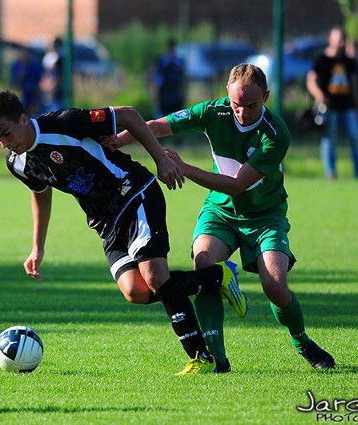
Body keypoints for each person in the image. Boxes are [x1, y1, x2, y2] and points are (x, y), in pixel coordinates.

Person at [0, 89, 247, 375]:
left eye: (5, 134)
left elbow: (129, 114)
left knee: (155, 276)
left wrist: (161, 160)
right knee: (136, 291)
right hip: (105, 222)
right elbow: (40, 193)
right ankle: (217, 276)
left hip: (135, 193)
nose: (4, 144)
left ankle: (200, 357)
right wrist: (37, 247)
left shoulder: (65, 123)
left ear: (22, 118)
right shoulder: (17, 163)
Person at [106, 63, 336, 370]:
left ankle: (302, 340)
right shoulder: (214, 112)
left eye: (251, 105)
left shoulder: (276, 133)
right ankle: (218, 358)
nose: (242, 112)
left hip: (265, 216)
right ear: (227, 95)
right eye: (235, 104)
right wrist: (121, 139)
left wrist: (183, 167)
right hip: (220, 211)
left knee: (276, 287)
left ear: (266, 97)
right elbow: (160, 125)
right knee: (204, 266)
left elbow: (238, 185)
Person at [306, 26, 358, 180]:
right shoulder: (321, 59)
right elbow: (311, 81)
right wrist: (319, 95)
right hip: (329, 107)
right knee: (329, 140)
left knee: (356, 137)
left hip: (348, 106)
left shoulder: (349, 61)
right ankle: (331, 172)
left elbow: (354, 85)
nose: (341, 42)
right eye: (338, 39)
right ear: (330, 40)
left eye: (343, 39)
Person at [154, 39, 186, 118]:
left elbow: (183, 77)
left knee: (177, 117)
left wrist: (184, 92)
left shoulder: (180, 61)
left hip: (176, 93)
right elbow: (157, 78)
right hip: (164, 93)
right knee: (164, 118)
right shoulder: (162, 61)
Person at [10, 47, 43, 116]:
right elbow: (15, 85)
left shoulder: (34, 66)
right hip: (21, 98)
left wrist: (36, 103)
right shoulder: (15, 66)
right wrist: (21, 74)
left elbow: (39, 85)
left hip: (33, 98)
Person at [40, 37, 65, 112]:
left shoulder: (61, 58)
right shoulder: (51, 57)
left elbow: (58, 77)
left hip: (56, 91)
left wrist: (53, 85)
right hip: (50, 88)